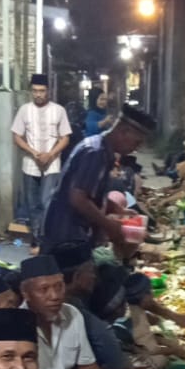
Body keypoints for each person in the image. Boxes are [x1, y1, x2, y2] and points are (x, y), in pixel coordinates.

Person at [42, 104, 156, 255]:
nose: (137, 148)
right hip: (67, 234)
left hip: (75, 233)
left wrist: (116, 208)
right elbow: (78, 198)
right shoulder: (95, 152)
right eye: (136, 142)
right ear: (123, 131)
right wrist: (109, 226)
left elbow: (91, 192)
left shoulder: (102, 149)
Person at [11, 74, 71, 240]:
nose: (38, 94)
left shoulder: (59, 111)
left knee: (47, 202)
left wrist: (50, 154)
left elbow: (66, 137)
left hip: (52, 165)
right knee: (32, 204)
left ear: (48, 91)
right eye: (35, 91)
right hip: (30, 164)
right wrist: (34, 153)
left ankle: (46, 238)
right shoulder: (25, 110)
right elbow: (16, 136)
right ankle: (37, 239)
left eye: (42, 91)